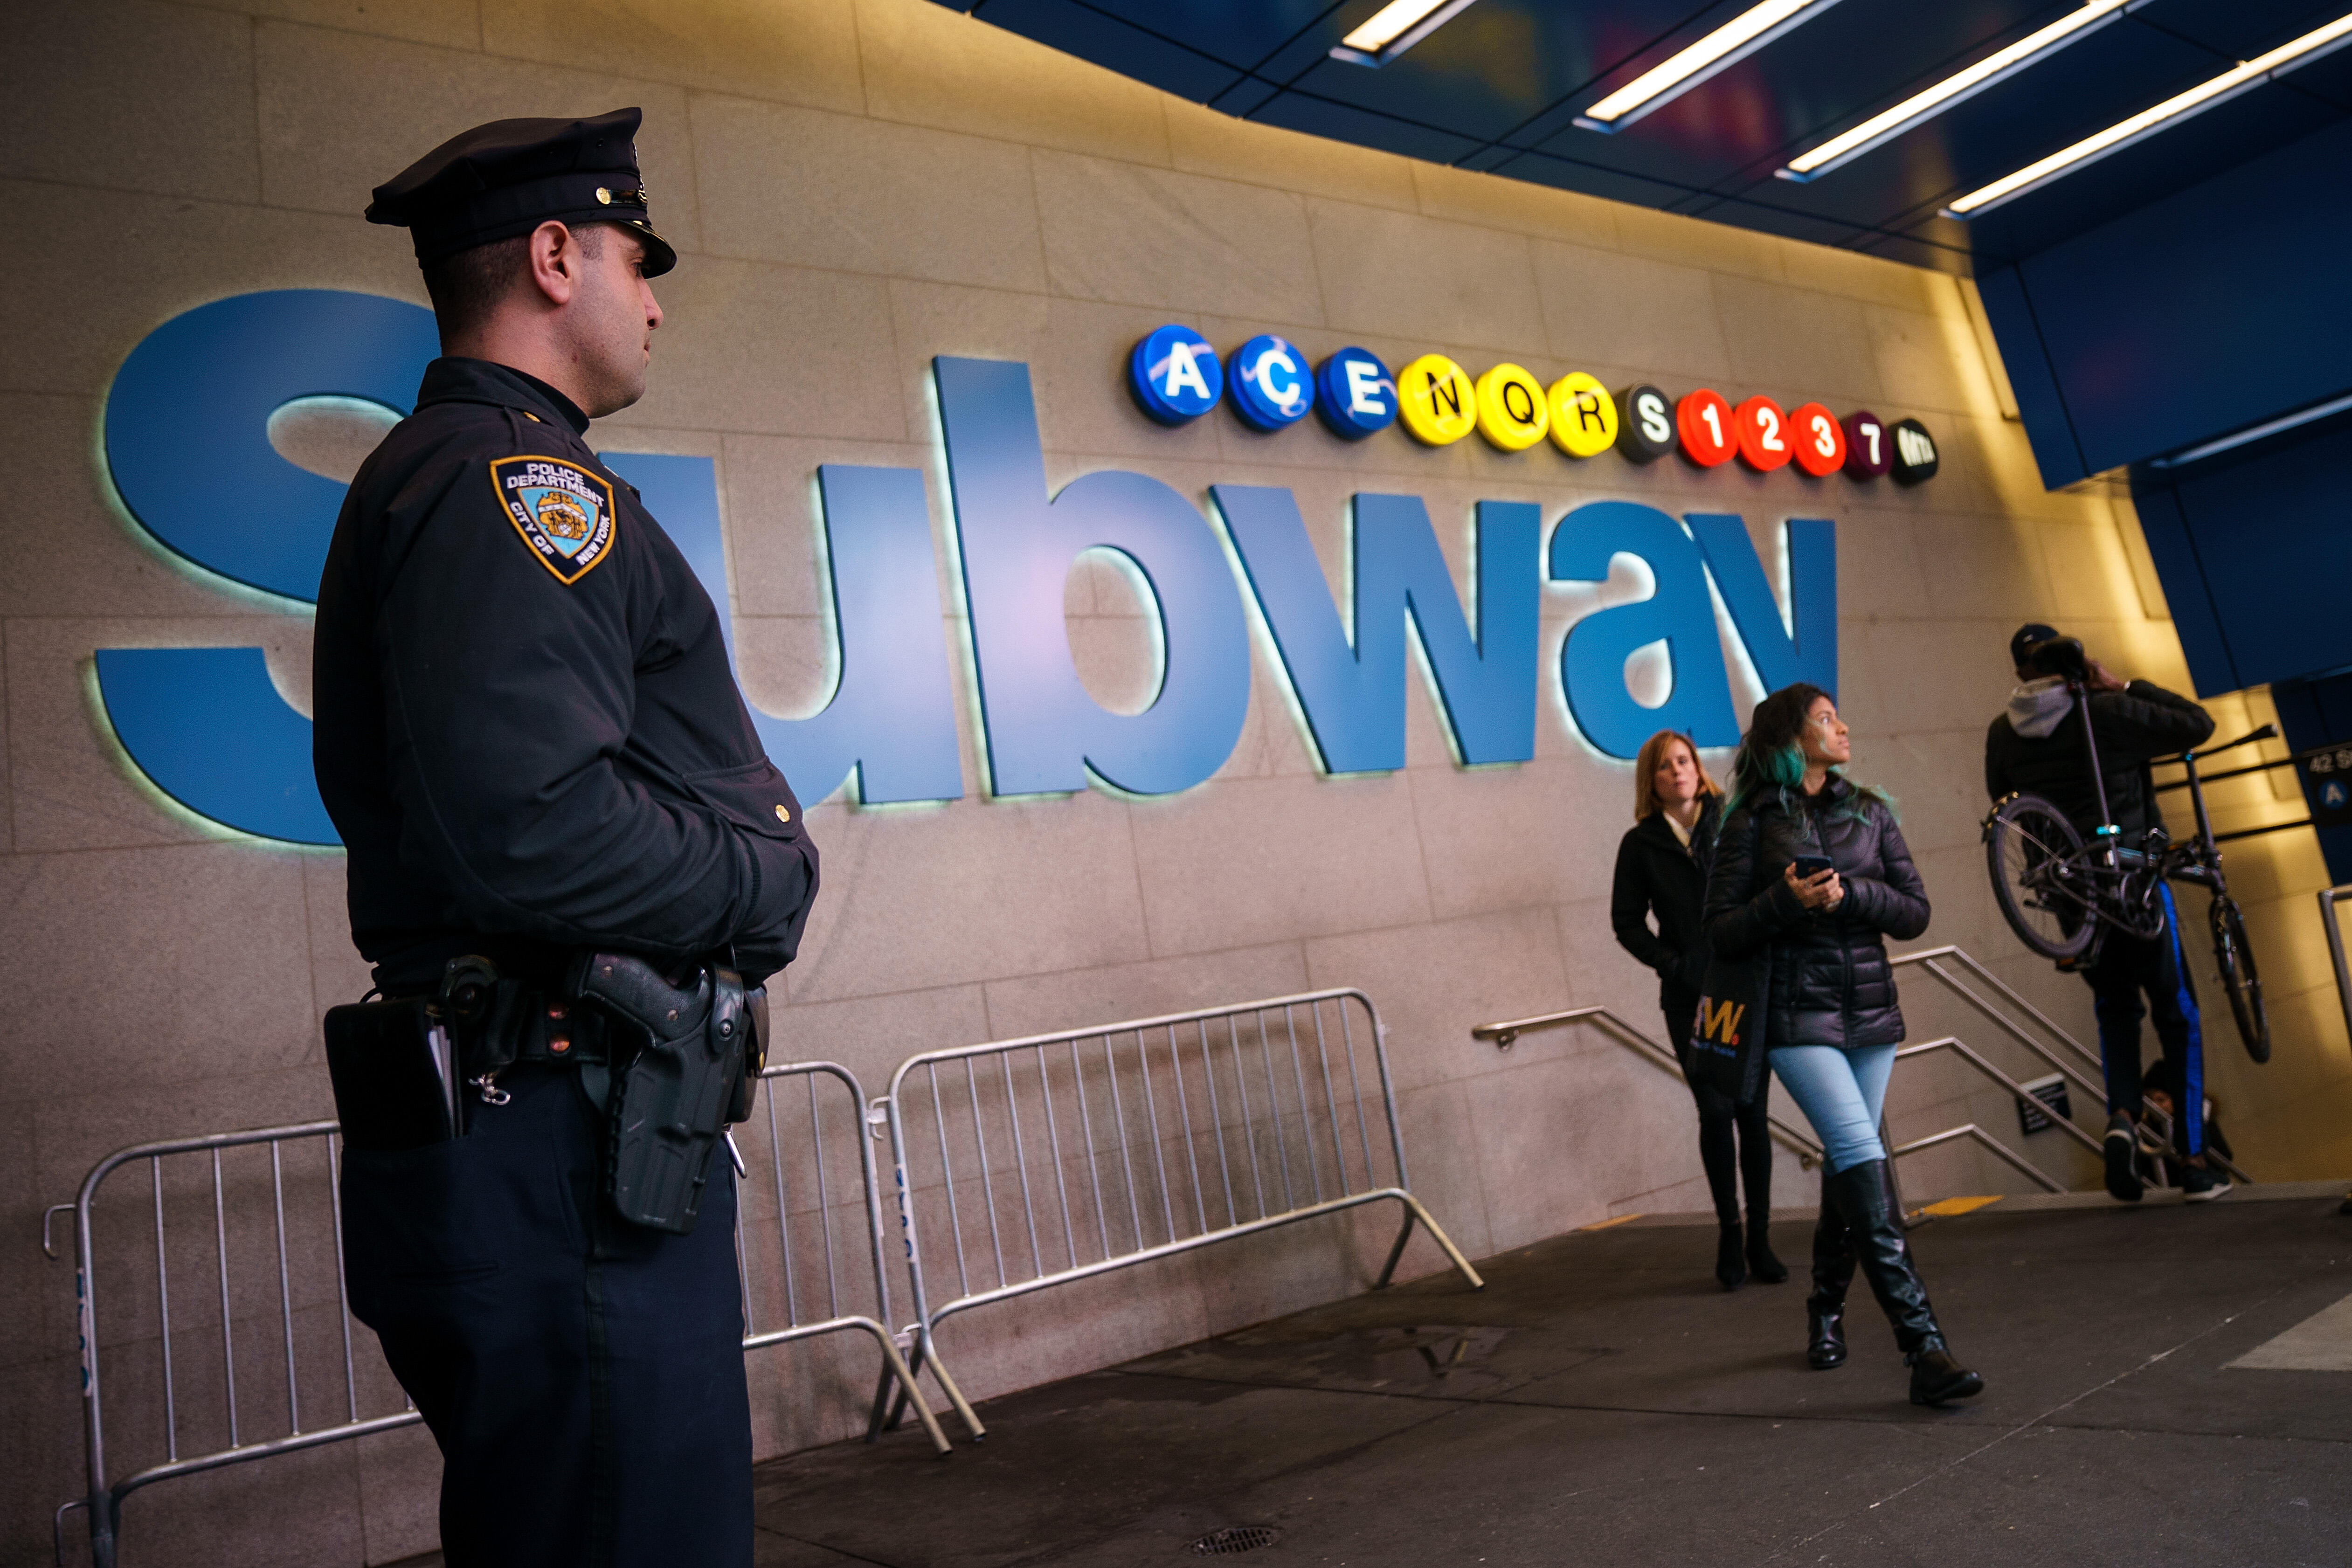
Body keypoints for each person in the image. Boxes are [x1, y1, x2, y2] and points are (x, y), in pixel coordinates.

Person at [312, 109, 821, 1567]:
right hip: (567, 1142)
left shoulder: (463, 472)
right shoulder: (518, 485)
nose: (652, 300)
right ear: (553, 258)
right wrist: (768, 879)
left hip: (550, 1129)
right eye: (634, 259)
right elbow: (534, 831)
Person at [1704, 684, 1983, 1407]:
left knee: (1845, 1167)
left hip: (1871, 1016)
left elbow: (1915, 911)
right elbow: (1721, 930)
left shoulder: (1870, 811)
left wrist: (1852, 896)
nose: (1843, 726)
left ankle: (1825, 1307)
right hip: (1795, 1017)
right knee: (1862, 1151)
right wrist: (1786, 902)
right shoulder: (1751, 819)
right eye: (1826, 719)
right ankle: (1923, 1346)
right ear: (1791, 737)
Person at [1984, 623, 2225, 1203]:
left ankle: (2121, 1121)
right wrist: (2124, 685)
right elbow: (2196, 724)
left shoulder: (2002, 732)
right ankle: (2193, 1160)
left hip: (2073, 896)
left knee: (2115, 1010)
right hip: (2136, 884)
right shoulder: (2107, 711)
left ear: (2020, 673)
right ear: (2074, 663)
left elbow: (2004, 798)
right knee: (2177, 1013)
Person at [1612, 730, 1785, 1291]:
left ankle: (1760, 1238)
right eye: (1665, 766)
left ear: (1697, 767)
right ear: (1652, 780)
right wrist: (1673, 964)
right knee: (1714, 1112)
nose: (1678, 772)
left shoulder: (1733, 821)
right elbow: (1626, 923)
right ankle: (1730, 1231)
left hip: (1742, 987)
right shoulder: (1640, 845)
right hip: (1689, 997)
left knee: (1751, 1112)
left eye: (1684, 761)